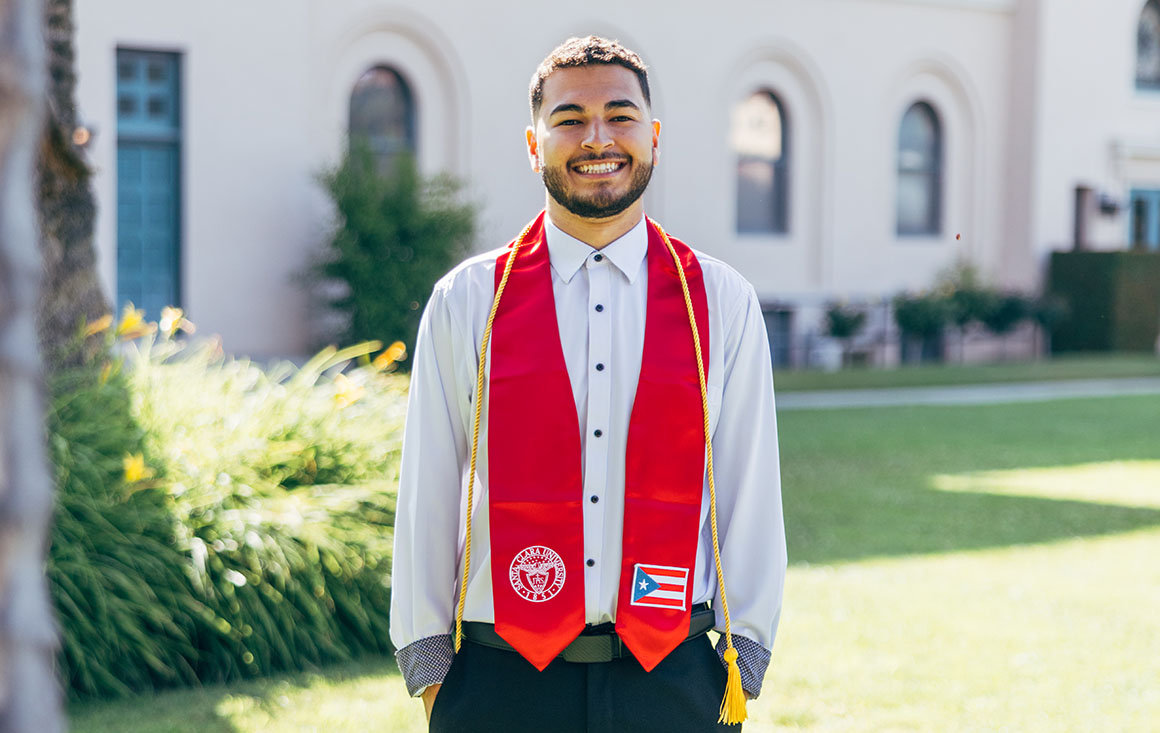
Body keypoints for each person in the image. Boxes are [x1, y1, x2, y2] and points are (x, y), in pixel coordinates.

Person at [389, 36, 786, 731]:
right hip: (502, 683)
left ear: (654, 136)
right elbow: (428, 489)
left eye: (620, 115)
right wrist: (431, 671)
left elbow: (749, 486)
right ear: (533, 142)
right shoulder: (468, 301)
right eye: (569, 118)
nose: (596, 138)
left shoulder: (718, 303)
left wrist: (743, 652)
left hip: (672, 679)